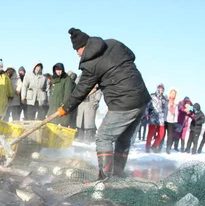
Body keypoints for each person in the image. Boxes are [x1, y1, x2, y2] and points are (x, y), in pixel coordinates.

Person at [56, 28, 150, 179]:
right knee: (123, 138)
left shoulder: (91, 64)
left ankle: (105, 178)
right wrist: (106, 77)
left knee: (103, 137)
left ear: (83, 47)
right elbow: (131, 56)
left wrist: (66, 108)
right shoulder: (113, 44)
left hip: (123, 102)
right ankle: (118, 172)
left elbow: (81, 90)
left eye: (77, 50)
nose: (77, 53)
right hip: (142, 99)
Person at [48, 63, 74, 127]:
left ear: (62, 70)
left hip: (61, 107)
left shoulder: (67, 79)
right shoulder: (53, 80)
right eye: (57, 70)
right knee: (52, 124)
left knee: (62, 125)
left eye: (60, 70)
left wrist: (64, 105)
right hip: (53, 107)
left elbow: (67, 94)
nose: (58, 71)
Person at [144, 84, 167, 153]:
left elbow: (165, 108)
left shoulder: (164, 99)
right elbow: (147, 106)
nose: (161, 91)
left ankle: (154, 146)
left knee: (161, 133)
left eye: (162, 89)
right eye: (160, 89)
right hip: (153, 116)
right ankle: (147, 147)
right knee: (150, 133)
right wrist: (146, 114)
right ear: (157, 89)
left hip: (161, 118)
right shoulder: (152, 96)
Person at [164, 88, 178, 154]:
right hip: (164, 119)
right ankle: (159, 146)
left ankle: (168, 148)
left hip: (171, 121)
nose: (173, 95)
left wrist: (175, 121)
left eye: (174, 94)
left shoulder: (176, 103)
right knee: (162, 134)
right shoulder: (166, 100)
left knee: (170, 136)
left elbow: (177, 112)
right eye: (172, 93)